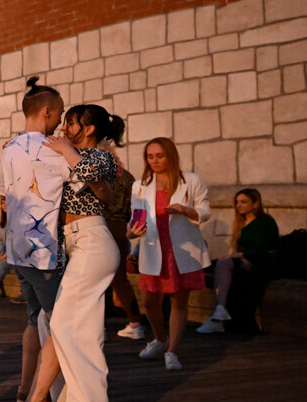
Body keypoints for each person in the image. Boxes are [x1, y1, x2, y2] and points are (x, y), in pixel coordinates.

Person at [19, 104, 124, 402]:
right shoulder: (70, 154)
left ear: (89, 129)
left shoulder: (101, 155)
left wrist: (67, 150)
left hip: (93, 241)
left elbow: (100, 183)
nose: (64, 128)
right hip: (72, 246)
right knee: (76, 329)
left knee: (66, 324)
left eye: (71, 123)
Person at [0, 77, 67, 402]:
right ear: (47, 111)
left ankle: (25, 388)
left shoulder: (8, 149)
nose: (61, 121)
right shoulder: (52, 149)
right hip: (43, 253)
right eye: (60, 114)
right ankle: (46, 398)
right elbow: (84, 176)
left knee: (32, 319)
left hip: (16, 249)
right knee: (60, 323)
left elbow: (4, 196)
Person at [128, 137, 211, 371]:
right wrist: (132, 233)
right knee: (149, 302)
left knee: (179, 301)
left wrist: (185, 210)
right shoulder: (140, 185)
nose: (154, 161)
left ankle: (172, 351)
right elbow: (136, 218)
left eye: (159, 156)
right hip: (154, 249)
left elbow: (205, 211)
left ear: (170, 155)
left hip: (180, 249)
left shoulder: (192, 180)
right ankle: (160, 338)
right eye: (150, 156)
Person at [198, 188, 280, 333]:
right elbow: (241, 250)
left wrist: (239, 257)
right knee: (218, 265)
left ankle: (217, 315)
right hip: (246, 260)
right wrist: (240, 257)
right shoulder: (241, 223)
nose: (239, 205)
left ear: (255, 203)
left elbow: (259, 249)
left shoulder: (265, 221)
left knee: (223, 263)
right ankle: (219, 312)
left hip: (263, 262)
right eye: (237, 202)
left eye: (244, 202)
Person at [104, 154, 145, 339]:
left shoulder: (98, 173)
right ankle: (135, 322)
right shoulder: (127, 177)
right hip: (121, 228)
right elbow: (133, 208)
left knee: (92, 280)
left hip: (100, 225)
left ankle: (96, 327)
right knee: (120, 279)